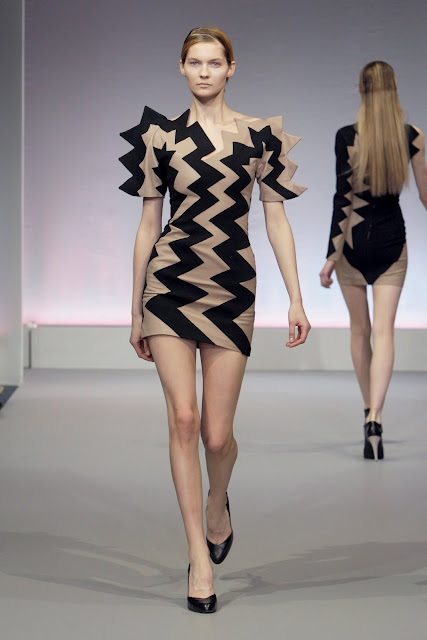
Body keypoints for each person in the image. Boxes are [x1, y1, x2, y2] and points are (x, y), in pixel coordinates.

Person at [119, 26, 310, 613]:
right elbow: (149, 224)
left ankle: (217, 505)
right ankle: (198, 561)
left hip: (231, 287)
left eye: (214, 63)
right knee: (183, 418)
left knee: (216, 436)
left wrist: (296, 298)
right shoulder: (160, 137)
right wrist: (135, 307)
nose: (204, 72)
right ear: (181, 68)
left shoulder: (260, 137)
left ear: (231, 69)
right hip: (169, 285)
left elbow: (275, 219)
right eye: (194, 62)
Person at [320, 61, 427, 461]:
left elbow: (343, 200)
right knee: (384, 333)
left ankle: (367, 410)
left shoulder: (346, 137)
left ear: (361, 90)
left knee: (359, 331)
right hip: (391, 243)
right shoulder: (412, 136)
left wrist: (330, 256)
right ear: (394, 90)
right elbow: (425, 195)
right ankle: (376, 419)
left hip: (352, 246)